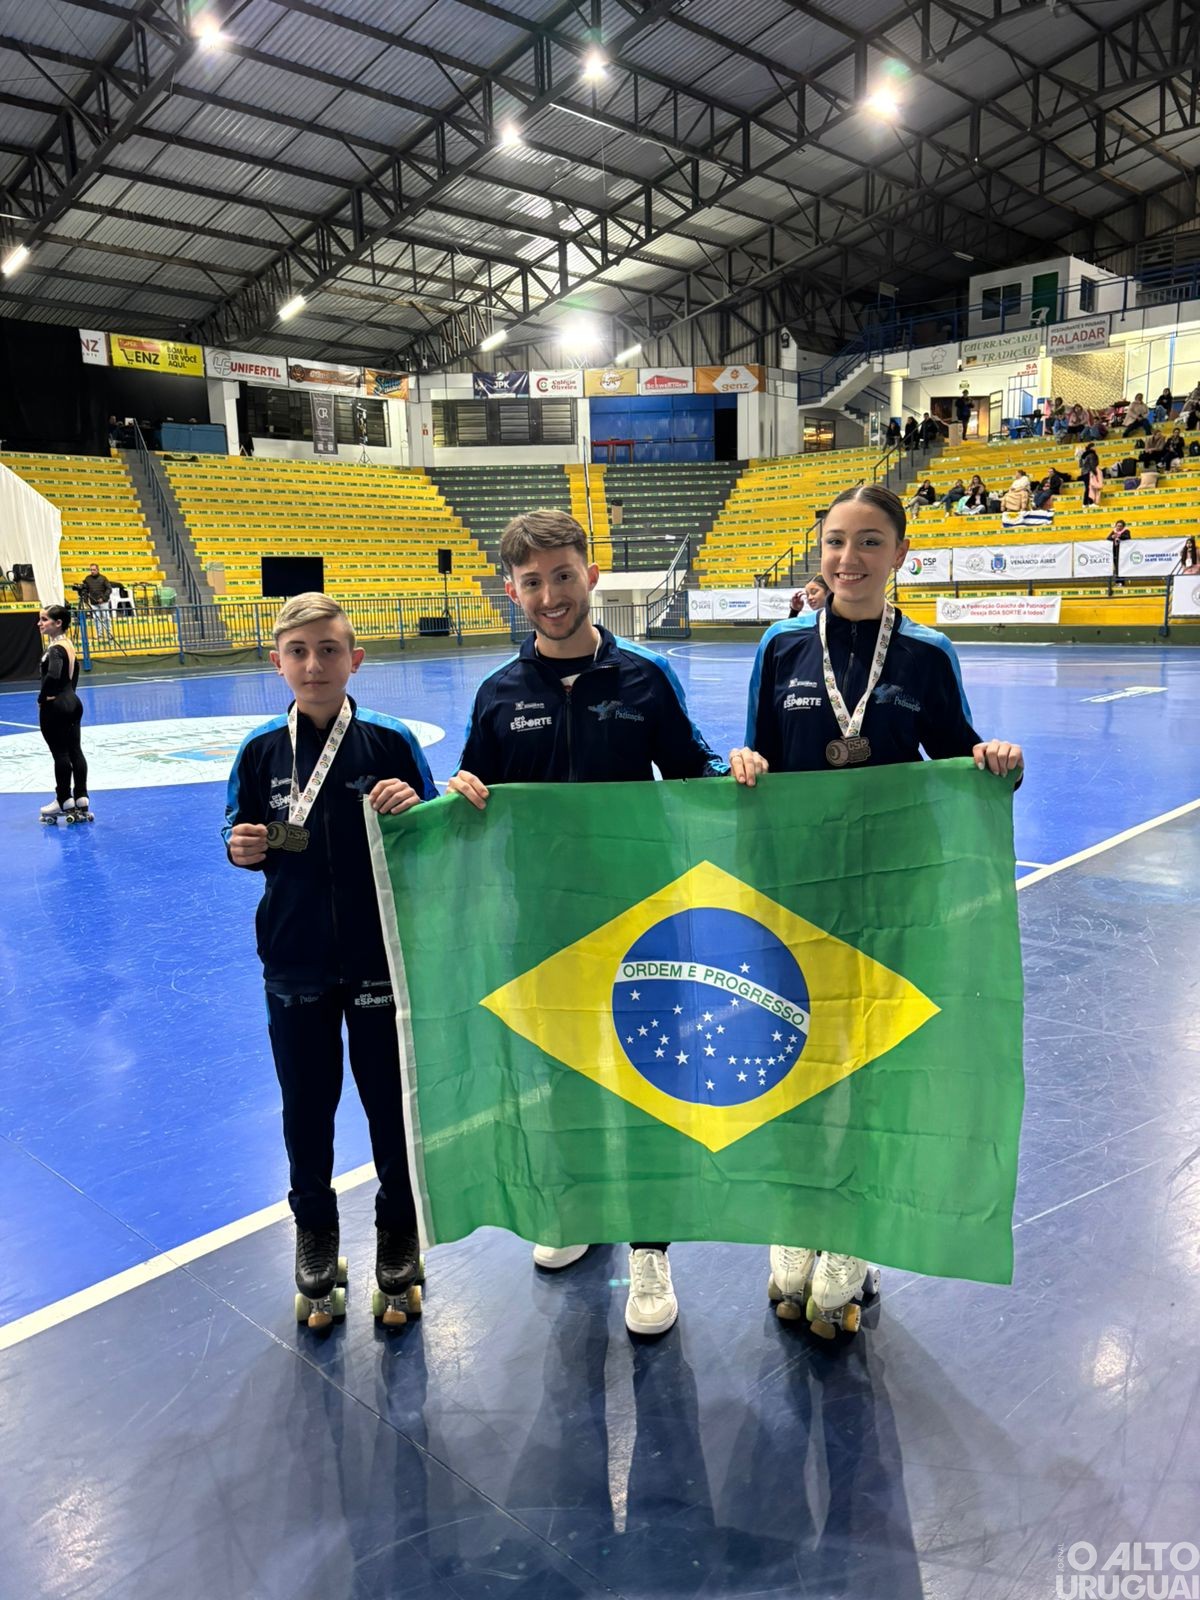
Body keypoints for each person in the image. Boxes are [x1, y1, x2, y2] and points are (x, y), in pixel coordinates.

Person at [447, 509, 765, 1337]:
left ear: (591, 574)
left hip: (643, 921)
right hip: (544, 920)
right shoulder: (499, 694)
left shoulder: (646, 678)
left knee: (646, 1084)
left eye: (562, 575)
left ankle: (651, 1251)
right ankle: (578, 1208)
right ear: (513, 591)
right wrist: (458, 792)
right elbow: (473, 788)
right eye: (532, 582)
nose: (550, 595)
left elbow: (690, 769)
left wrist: (730, 766)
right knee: (563, 1078)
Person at [741, 483, 1022, 1337]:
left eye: (869, 543)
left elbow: (956, 750)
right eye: (835, 542)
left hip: (889, 899)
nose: (849, 560)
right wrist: (744, 763)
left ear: (901, 555)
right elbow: (755, 748)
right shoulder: (783, 645)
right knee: (794, 1065)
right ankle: (795, 1220)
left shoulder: (928, 656)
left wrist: (993, 758)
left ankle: (854, 1237)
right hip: (794, 895)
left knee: (868, 1073)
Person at [223, 593, 439, 1330]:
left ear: (355, 658)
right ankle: (314, 1229)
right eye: (298, 651)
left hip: (383, 959)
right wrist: (240, 847)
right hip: (294, 961)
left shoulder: (388, 740)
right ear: (277, 660)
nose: (314, 665)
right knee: (305, 1109)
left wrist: (414, 807)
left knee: (391, 1108)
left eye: (328, 650)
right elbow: (238, 829)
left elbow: (436, 833)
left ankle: (397, 1227)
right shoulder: (259, 750)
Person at [37, 604, 91, 826]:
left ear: (58, 623)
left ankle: (63, 799)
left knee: (60, 754)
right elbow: (73, 675)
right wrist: (68, 697)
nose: (39, 623)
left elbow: (53, 674)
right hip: (72, 702)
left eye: (44, 619)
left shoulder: (55, 649)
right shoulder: (68, 645)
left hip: (56, 705)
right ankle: (81, 796)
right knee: (75, 750)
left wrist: (44, 697)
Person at [79, 563, 113, 639]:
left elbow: (109, 589)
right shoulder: (87, 579)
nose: (92, 571)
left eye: (94, 570)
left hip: (103, 602)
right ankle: (99, 634)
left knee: (106, 618)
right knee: (96, 619)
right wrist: (85, 601)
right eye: (91, 570)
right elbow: (85, 590)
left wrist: (103, 598)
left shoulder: (103, 578)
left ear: (98, 570)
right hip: (93, 602)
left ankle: (109, 634)